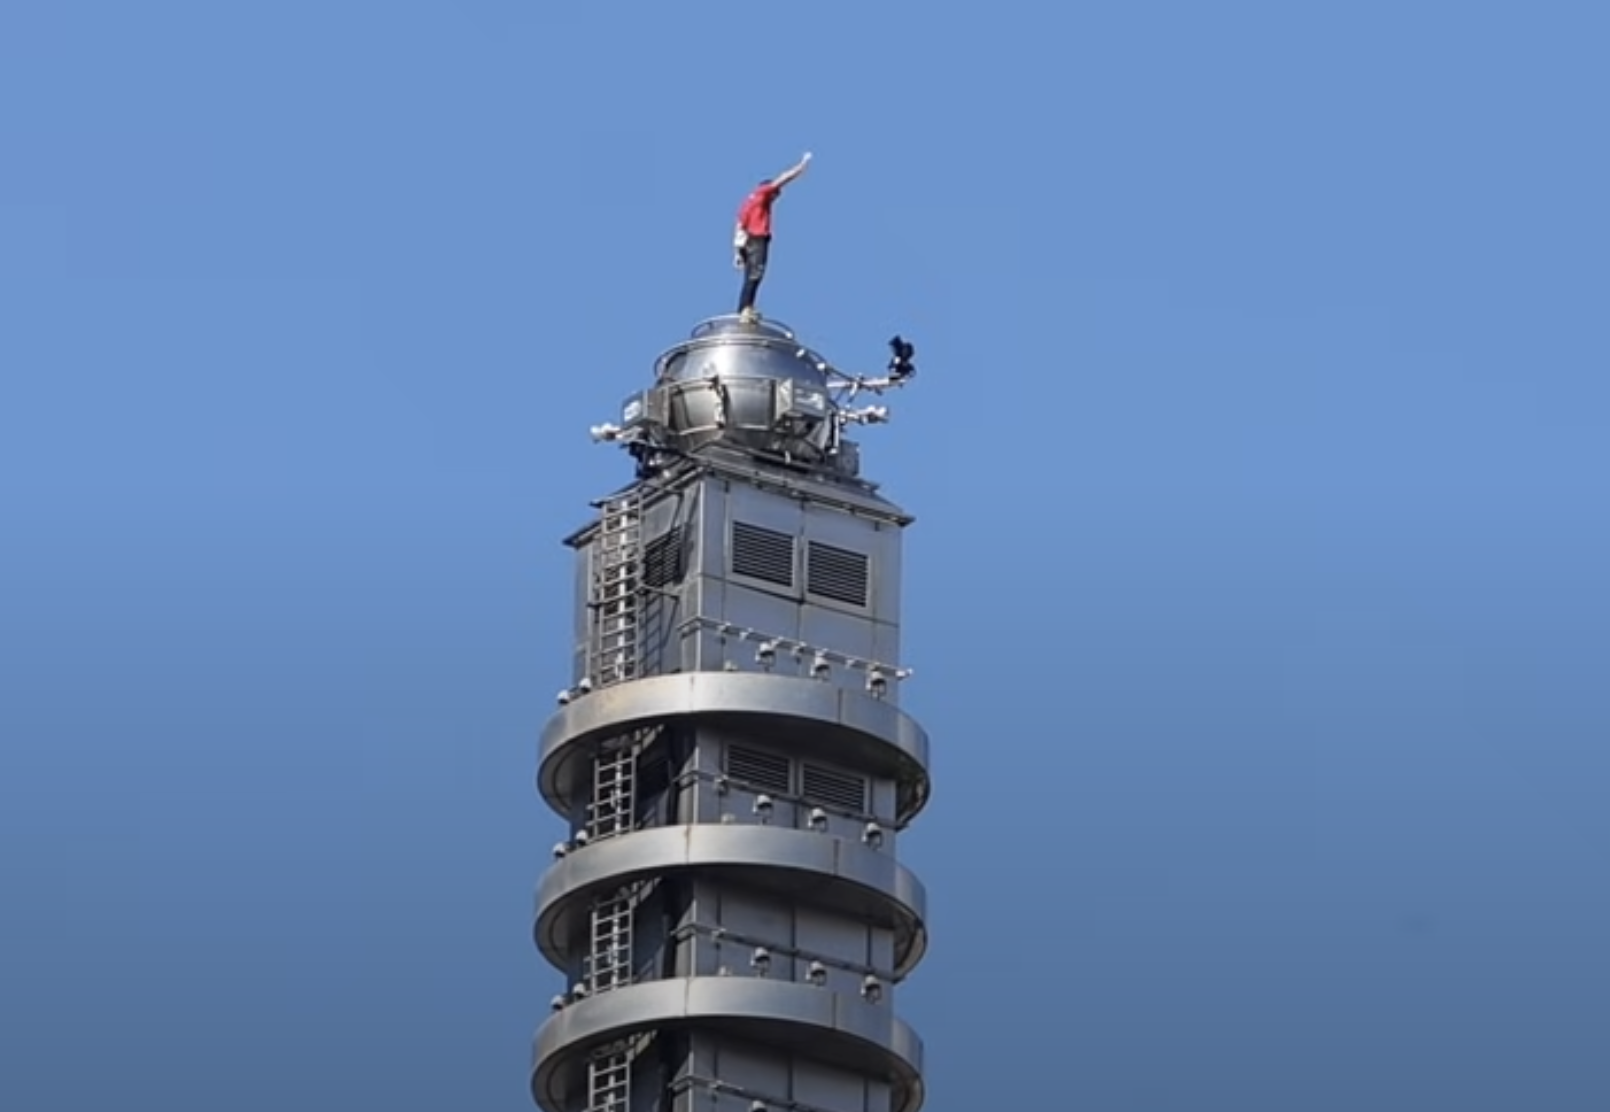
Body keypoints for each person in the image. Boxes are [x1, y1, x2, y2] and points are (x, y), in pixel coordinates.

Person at [733, 152, 812, 322]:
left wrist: (738, 252)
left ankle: (745, 307)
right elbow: (783, 178)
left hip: (747, 243)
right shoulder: (763, 193)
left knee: (750, 277)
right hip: (757, 240)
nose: (775, 199)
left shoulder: (748, 202)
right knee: (756, 275)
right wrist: (801, 167)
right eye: (776, 195)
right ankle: (744, 310)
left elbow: (739, 225)